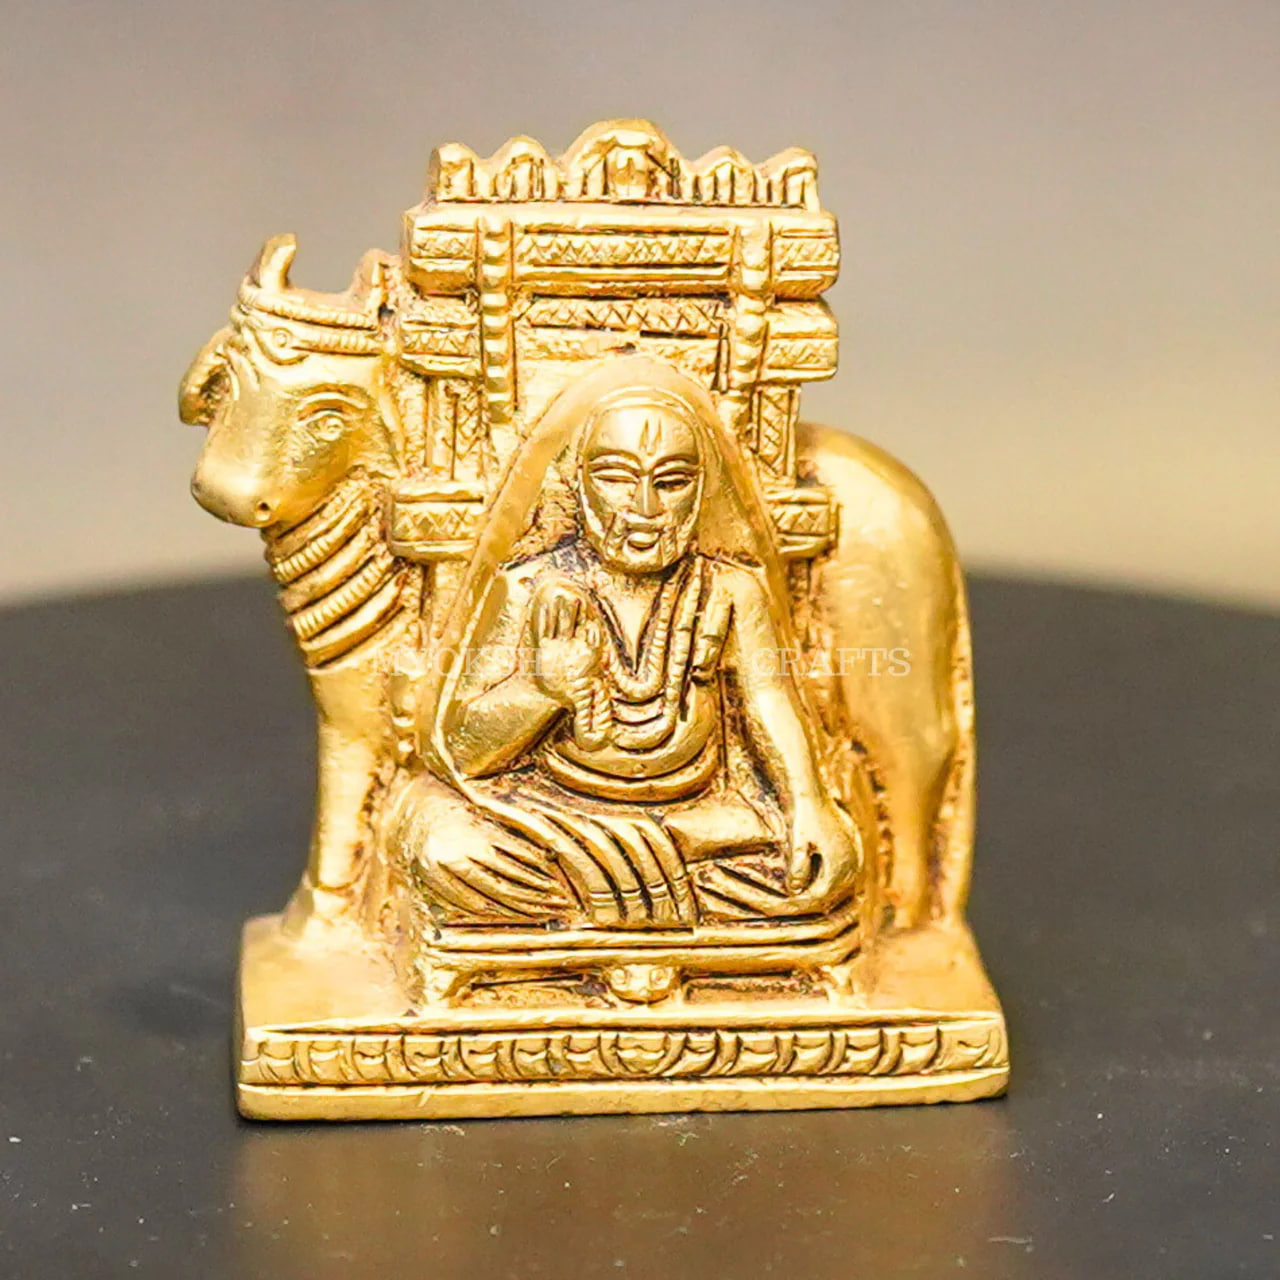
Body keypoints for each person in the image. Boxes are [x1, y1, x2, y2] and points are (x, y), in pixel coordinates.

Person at [389, 366, 864, 929]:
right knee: (444, 849)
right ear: (576, 482)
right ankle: (651, 888)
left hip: (698, 822)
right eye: (616, 478)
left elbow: (768, 700)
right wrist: (540, 692)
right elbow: (461, 750)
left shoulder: (731, 589)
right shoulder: (527, 587)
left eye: (671, 482)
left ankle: (621, 887)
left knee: (822, 863)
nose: (644, 507)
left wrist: (808, 805)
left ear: (702, 490)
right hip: (551, 818)